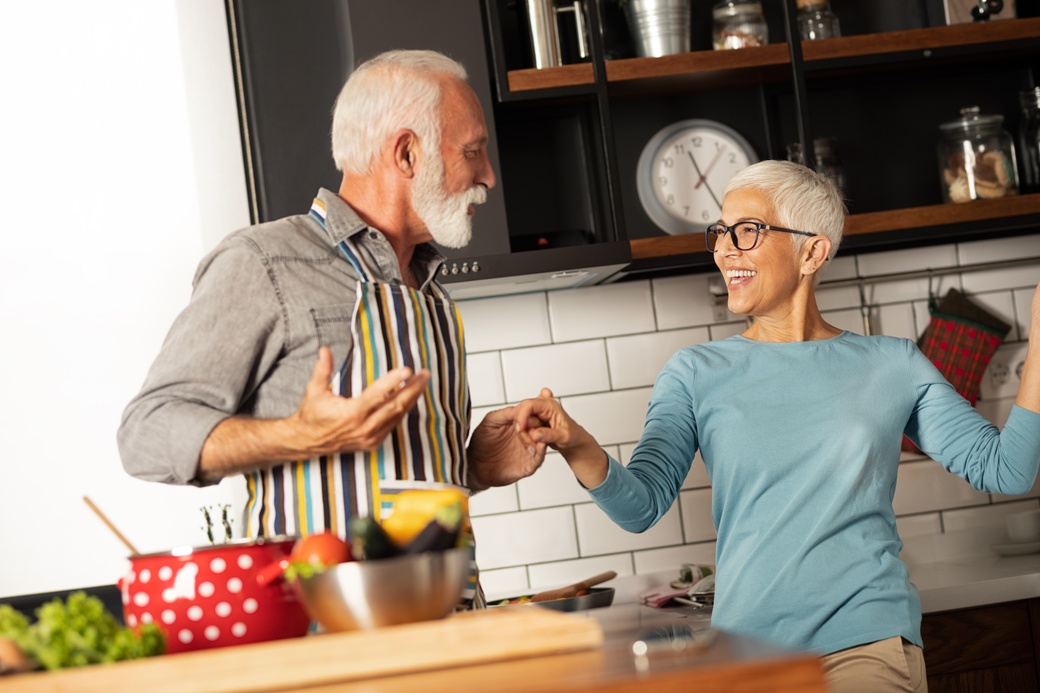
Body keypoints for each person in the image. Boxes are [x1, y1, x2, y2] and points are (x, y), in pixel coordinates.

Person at [510, 159, 1040, 691]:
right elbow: (641, 506)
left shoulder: (893, 364)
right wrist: (576, 445)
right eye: (720, 233)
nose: (724, 249)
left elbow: (1007, 470)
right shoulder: (695, 373)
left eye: (747, 231)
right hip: (746, 655)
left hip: (866, 643)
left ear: (812, 251)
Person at [117, 50, 544, 605]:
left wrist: (470, 468)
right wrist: (297, 434)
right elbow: (145, 434)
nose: (487, 175)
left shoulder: (433, 291)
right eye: (472, 152)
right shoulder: (265, 262)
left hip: (451, 630)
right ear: (407, 153)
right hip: (329, 645)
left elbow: (385, 487)